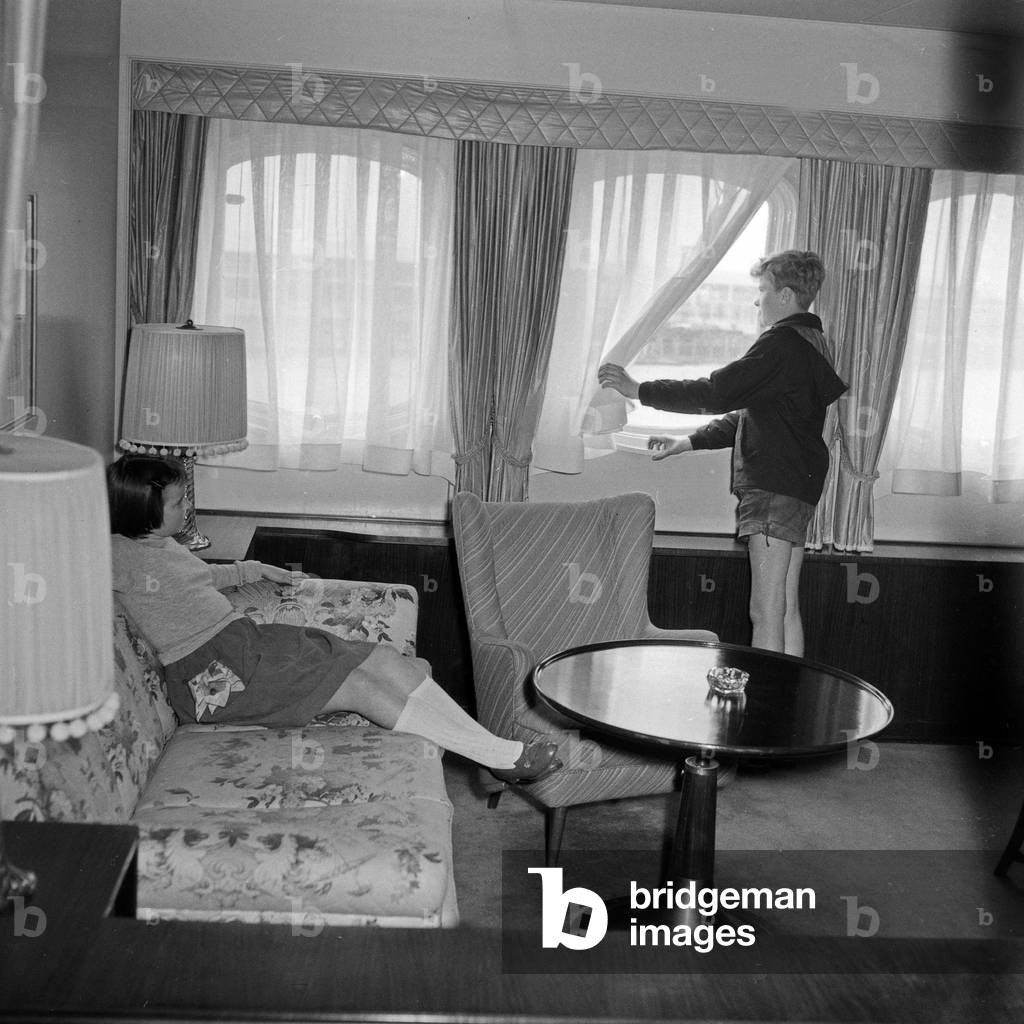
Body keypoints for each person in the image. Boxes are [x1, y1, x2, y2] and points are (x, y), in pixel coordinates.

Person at [106, 454, 560, 783]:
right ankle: (500, 758)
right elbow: (68, 556)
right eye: (175, 503)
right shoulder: (121, 553)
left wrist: (255, 570)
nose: (186, 508)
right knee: (358, 686)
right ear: (141, 508)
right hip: (212, 680)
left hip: (242, 642)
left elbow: (197, 578)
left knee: (383, 660)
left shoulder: (160, 544)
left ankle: (496, 753)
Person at [598, 250, 847, 657]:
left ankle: (767, 706)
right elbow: (755, 417)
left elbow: (716, 392)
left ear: (785, 295)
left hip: (772, 488)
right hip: (796, 488)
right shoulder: (813, 342)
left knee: (764, 610)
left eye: (762, 291)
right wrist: (689, 442)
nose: (757, 300)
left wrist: (638, 390)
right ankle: (790, 701)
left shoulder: (780, 344)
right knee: (785, 608)